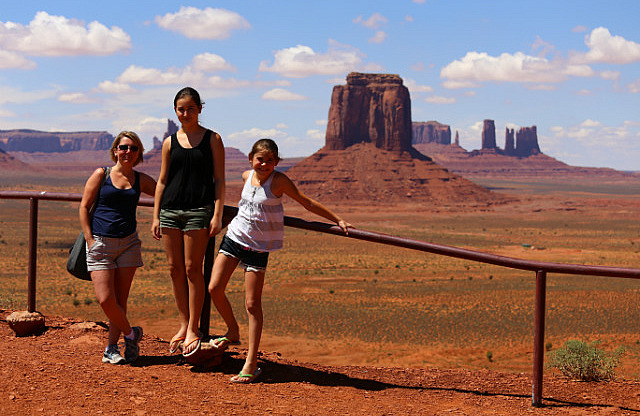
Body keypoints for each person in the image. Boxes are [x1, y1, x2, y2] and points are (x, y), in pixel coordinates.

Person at [209, 138, 351, 383]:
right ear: (251, 158)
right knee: (214, 288)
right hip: (233, 237)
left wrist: (337, 219)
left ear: (276, 162)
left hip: (258, 247)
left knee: (252, 305)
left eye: (270, 160)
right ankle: (232, 331)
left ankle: (251, 363)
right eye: (260, 159)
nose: (264, 164)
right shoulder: (245, 176)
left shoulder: (280, 181)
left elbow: (306, 202)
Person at [152, 87, 225, 357]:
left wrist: (217, 214)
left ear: (199, 109)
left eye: (190, 109)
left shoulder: (212, 139)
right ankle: (183, 323)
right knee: (174, 269)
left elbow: (219, 180)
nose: (186, 113)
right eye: (181, 109)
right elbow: (162, 181)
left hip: (198, 211)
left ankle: (194, 328)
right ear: (175, 111)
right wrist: (156, 214)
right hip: (170, 210)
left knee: (193, 269)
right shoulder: (170, 142)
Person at [79, 131, 157, 364]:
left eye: (134, 149)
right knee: (106, 300)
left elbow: (164, 193)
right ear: (115, 150)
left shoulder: (140, 179)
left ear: (139, 154)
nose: (128, 152)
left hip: (129, 244)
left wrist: (158, 218)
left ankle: (111, 349)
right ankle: (131, 335)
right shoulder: (101, 174)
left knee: (120, 301)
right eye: (124, 147)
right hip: (101, 243)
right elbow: (84, 207)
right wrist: (90, 240)